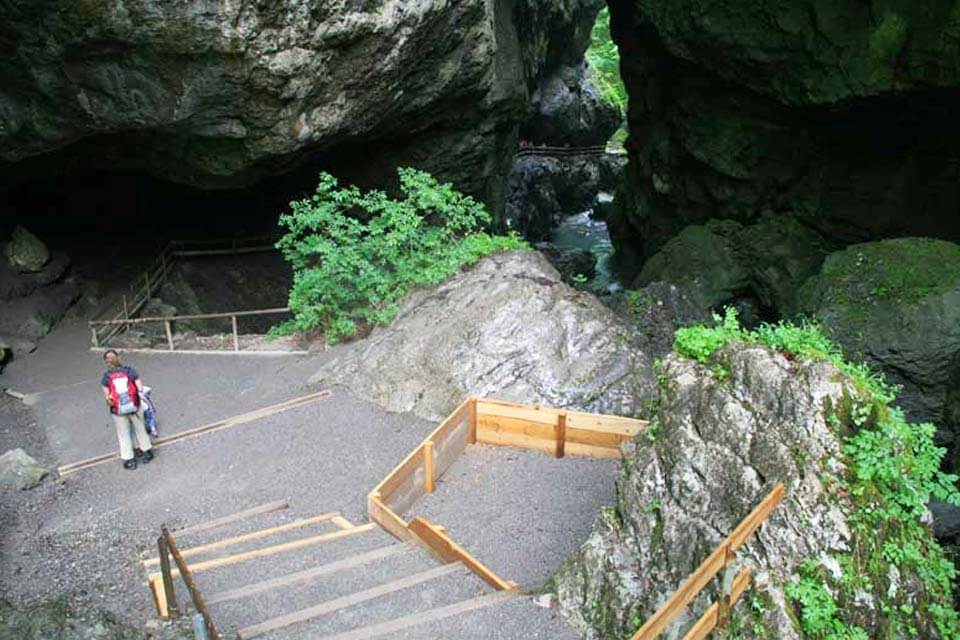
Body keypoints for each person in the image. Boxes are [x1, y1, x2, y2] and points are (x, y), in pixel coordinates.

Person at [100, 349, 154, 470]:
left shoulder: (106, 377)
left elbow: (108, 397)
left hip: (118, 410)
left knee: (123, 433)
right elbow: (139, 388)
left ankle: (129, 459)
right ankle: (147, 452)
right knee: (140, 428)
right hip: (134, 406)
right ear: (118, 358)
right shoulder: (130, 371)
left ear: (106, 362)